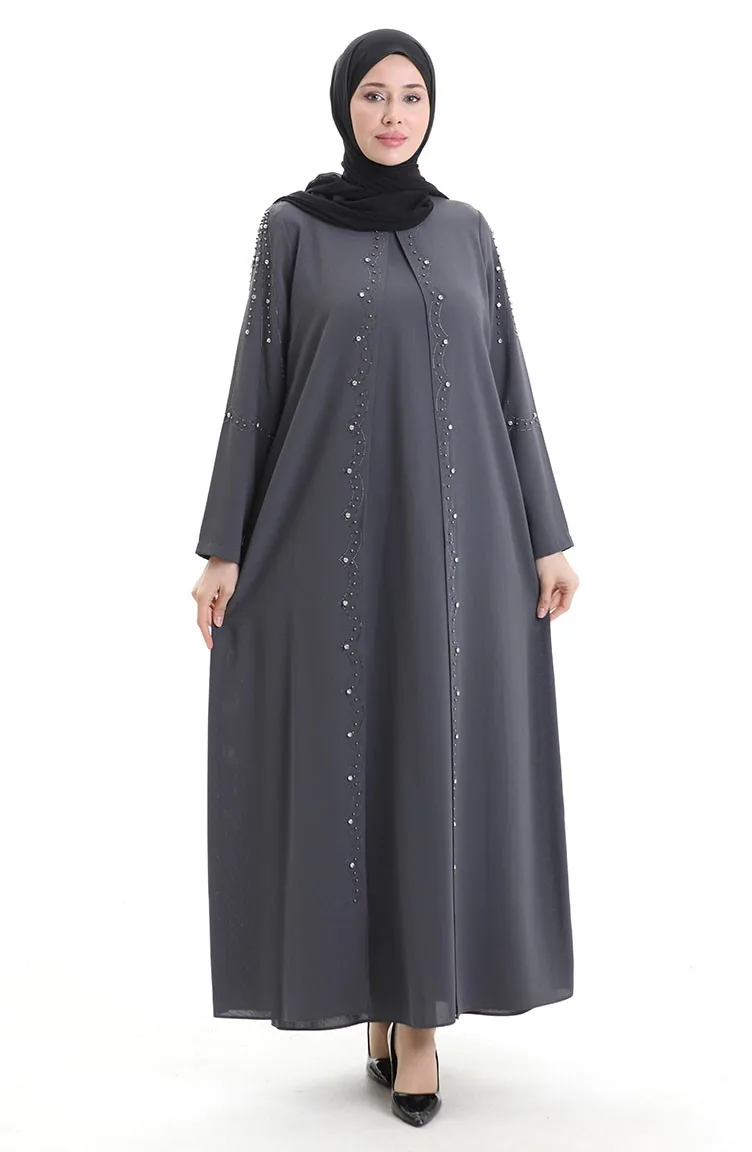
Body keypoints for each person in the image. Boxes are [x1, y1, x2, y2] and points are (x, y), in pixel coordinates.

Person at [191, 27, 579, 1127]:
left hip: (460, 548)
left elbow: (509, 387)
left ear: (431, 109)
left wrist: (546, 536)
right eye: (373, 94)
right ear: (343, 106)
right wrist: (223, 546)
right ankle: (374, 995)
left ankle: (417, 1025)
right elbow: (255, 388)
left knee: (434, 762)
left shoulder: (466, 231)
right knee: (346, 761)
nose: (393, 114)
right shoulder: (291, 229)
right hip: (325, 543)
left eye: (411, 95)